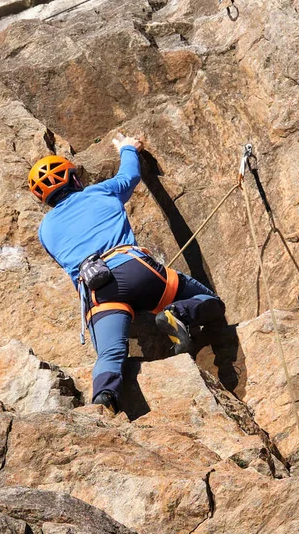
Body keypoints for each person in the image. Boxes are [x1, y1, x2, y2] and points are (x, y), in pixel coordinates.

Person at [29, 134, 225, 412]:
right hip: (135, 270)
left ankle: (104, 401)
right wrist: (128, 149)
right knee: (212, 302)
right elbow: (130, 175)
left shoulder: (45, 230)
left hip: (99, 290)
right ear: (74, 180)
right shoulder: (99, 192)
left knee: (110, 353)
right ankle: (178, 313)